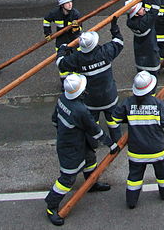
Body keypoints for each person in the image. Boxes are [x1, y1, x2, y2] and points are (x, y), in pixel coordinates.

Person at [45, 73, 118, 226]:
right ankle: (51, 205)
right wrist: (111, 144)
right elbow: (94, 129)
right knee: (67, 178)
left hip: (73, 141)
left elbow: (54, 119)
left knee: (90, 158)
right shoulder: (80, 110)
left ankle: (91, 183)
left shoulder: (62, 99)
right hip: (70, 148)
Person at [56, 22, 124, 144]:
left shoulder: (77, 58)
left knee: (92, 123)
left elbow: (61, 64)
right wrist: (115, 29)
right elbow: (119, 42)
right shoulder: (105, 52)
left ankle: (93, 144)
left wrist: (62, 51)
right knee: (113, 121)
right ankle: (117, 141)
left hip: (91, 100)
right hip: (109, 96)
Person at [112, 71, 164, 209]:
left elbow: (115, 119)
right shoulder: (158, 104)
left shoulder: (127, 103)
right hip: (157, 150)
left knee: (134, 177)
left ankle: (131, 201)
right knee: (162, 174)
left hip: (136, 151)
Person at [44, 0, 83, 81]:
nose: (70, 4)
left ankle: (77, 81)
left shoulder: (76, 14)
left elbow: (80, 30)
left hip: (74, 40)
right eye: (67, 3)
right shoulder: (55, 13)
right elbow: (46, 20)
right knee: (62, 62)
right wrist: (48, 33)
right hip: (61, 40)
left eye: (70, 2)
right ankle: (64, 82)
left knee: (76, 60)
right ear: (62, 5)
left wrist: (75, 28)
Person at [127, 0, 162, 73]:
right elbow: (155, 9)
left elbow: (129, 10)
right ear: (136, 14)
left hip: (140, 59)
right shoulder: (145, 22)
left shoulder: (130, 22)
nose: (143, 8)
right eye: (140, 9)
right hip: (151, 59)